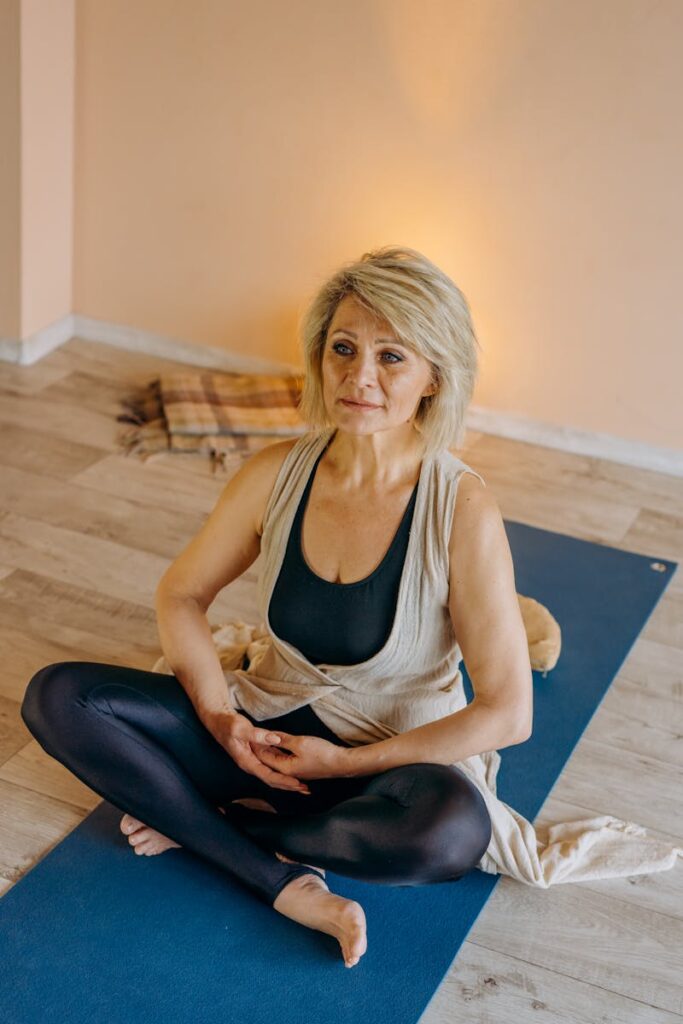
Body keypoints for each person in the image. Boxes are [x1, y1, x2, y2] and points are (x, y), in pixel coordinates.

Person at [21, 246, 533, 969]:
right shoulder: (275, 472)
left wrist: (344, 762)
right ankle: (283, 879)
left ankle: (211, 830)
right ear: (319, 355)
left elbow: (508, 713)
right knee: (59, 696)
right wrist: (220, 718)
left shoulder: (462, 507)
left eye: (392, 358)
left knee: (447, 832)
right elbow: (182, 593)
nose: (359, 377)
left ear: (432, 378)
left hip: (375, 763)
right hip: (262, 736)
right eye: (344, 348)